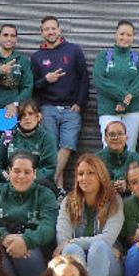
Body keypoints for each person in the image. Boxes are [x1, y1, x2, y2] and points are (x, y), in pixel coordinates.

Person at [56, 154, 125, 276]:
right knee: (71, 250)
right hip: (77, 260)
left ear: (101, 175)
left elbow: (107, 239)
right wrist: (71, 244)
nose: (84, 178)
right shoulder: (68, 201)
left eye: (90, 173)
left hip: (108, 262)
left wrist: (74, 242)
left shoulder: (114, 201)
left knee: (99, 247)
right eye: (80, 174)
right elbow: (62, 239)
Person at [31, 15, 90, 194]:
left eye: (53, 28)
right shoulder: (37, 56)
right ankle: (59, 189)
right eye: (46, 29)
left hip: (71, 108)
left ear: (59, 30)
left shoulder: (73, 50)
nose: (50, 31)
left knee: (67, 146)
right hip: (48, 108)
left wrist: (80, 103)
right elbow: (32, 85)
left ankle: (48, 182)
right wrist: (45, 80)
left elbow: (84, 78)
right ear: (42, 33)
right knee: (51, 148)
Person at [93, 20, 139, 151]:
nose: (125, 38)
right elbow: (100, 80)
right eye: (122, 34)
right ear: (115, 35)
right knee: (110, 149)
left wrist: (126, 101)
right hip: (109, 110)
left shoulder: (138, 58)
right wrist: (123, 96)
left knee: (129, 149)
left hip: (133, 110)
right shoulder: (104, 56)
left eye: (129, 35)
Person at [0, 99, 58, 188]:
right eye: (22, 115)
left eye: (31, 114)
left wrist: (27, 177)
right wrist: (5, 174)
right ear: (18, 118)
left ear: (38, 116)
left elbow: (49, 169)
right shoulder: (8, 135)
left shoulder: (47, 138)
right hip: (10, 182)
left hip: (36, 183)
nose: (27, 118)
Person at [95, 120, 139, 196]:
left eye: (120, 134)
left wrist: (127, 186)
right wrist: (109, 186)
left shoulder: (136, 158)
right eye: (111, 134)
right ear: (105, 138)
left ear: (126, 137)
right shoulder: (96, 159)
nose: (116, 138)